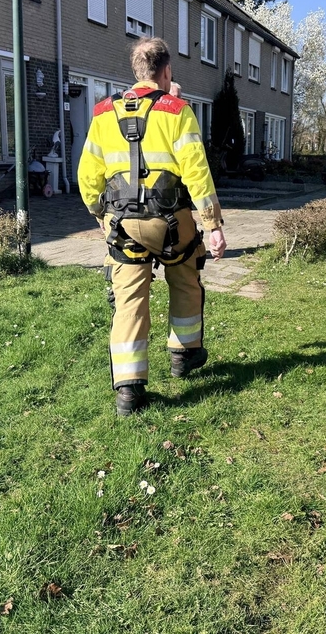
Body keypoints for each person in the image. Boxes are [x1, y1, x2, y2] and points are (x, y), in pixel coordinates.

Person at [78, 37, 227, 417]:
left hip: (122, 226)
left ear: (136, 72)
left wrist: (101, 215)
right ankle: (183, 356)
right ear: (166, 72)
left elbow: (88, 175)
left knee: (128, 302)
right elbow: (197, 172)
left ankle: (128, 391)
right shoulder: (177, 111)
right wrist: (211, 225)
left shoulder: (101, 113)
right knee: (185, 279)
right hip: (171, 223)